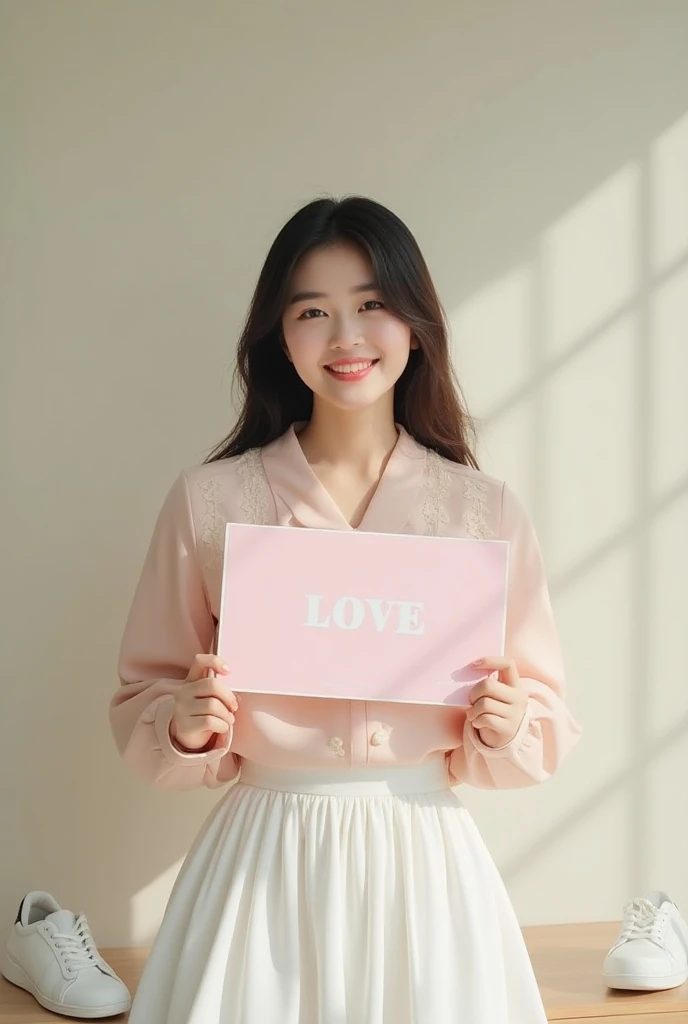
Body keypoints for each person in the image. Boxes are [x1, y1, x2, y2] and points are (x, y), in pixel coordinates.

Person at [110, 196, 582, 1024]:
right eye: (312, 312)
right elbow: (143, 698)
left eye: (371, 305)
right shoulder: (211, 502)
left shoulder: (483, 511)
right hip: (262, 860)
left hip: (425, 866)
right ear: (278, 335)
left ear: (415, 323)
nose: (346, 337)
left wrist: (508, 723)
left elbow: (540, 719)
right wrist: (184, 722)